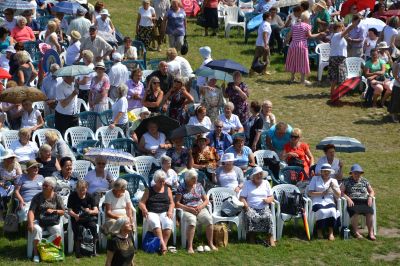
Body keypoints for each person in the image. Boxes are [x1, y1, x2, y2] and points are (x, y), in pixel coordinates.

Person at [175, 169, 218, 253]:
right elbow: (176, 203)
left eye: (196, 178)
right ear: (187, 179)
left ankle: (210, 243)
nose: (195, 180)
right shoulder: (181, 187)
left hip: (199, 208)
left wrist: (200, 207)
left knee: (209, 220)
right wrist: (189, 209)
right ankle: (190, 246)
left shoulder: (199, 186)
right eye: (193, 178)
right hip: (187, 209)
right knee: (192, 221)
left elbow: (206, 200)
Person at [27, 177, 64, 263]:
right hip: (39, 220)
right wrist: (30, 223)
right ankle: (36, 254)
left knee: (57, 230)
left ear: (52, 187)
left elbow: (63, 211)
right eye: (43, 185)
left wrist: (54, 211)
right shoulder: (37, 197)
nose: (43, 187)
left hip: (52, 220)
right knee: (37, 230)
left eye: (46, 185)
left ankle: (54, 252)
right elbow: (31, 211)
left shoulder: (57, 197)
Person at [139, 170, 175, 255]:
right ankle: (163, 245)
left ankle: (163, 245)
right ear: (155, 181)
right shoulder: (149, 190)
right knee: (155, 222)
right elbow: (141, 202)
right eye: (160, 181)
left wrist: (170, 210)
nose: (162, 183)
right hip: (152, 211)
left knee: (168, 223)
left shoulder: (168, 189)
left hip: (164, 211)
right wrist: (144, 209)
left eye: (163, 181)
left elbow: (172, 202)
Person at [239, 166, 275, 246]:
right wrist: (247, 207)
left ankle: (270, 237)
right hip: (251, 207)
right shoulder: (248, 184)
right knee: (250, 216)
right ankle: (252, 236)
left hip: (263, 207)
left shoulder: (266, 183)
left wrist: (268, 200)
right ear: (253, 176)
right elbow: (242, 198)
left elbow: (272, 196)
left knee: (268, 216)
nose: (259, 176)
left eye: (260, 174)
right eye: (257, 174)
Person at [285, 12, 325, 85]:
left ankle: (292, 78)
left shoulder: (294, 25)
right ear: (306, 18)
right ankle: (302, 80)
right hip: (302, 45)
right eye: (309, 18)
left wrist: (286, 42)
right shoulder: (307, 26)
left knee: (293, 61)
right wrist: (319, 34)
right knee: (303, 62)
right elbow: (310, 36)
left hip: (293, 45)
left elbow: (289, 35)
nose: (309, 19)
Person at [340, 164, 376, 240]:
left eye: (359, 173)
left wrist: (370, 197)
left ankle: (370, 233)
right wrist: (348, 199)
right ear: (351, 173)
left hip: (364, 201)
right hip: (353, 201)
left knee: (369, 212)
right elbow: (341, 192)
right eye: (355, 173)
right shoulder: (346, 181)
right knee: (355, 212)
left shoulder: (365, 181)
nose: (357, 174)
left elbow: (372, 191)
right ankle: (355, 232)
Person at [307, 163, 341, 240]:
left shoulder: (333, 180)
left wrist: (334, 188)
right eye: (324, 171)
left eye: (328, 171)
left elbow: (338, 195)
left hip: (329, 200)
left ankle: (331, 232)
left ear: (330, 172)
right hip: (317, 200)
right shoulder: (315, 179)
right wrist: (321, 193)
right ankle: (319, 231)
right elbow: (310, 192)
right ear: (321, 171)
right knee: (321, 211)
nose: (326, 173)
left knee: (332, 210)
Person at [67, 180, 99, 258]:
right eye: (80, 190)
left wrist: (90, 211)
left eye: (83, 190)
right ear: (76, 189)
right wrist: (75, 215)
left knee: (93, 227)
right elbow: (69, 210)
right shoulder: (72, 196)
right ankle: (78, 251)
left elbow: (96, 210)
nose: (81, 192)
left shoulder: (90, 196)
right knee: (78, 229)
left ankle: (93, 250)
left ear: (86, 188)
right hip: (76, 218)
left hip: (88, 218)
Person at [328, 21, 357, 95]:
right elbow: (348, 29)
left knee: (335, 76)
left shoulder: (333, 35)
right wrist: (354, 24)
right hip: (339, 58)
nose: (343, 28)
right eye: (342, 27)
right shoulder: (338, 35)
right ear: (338, 28)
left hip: (334, 57)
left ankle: (333, 92)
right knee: (341, 76)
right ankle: (338, 93)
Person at [0, 150, 22, 218]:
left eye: (12, 158)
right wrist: (1, 183)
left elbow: (20, 176)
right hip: (2, 184)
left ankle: (12, 213)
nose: (11, 159)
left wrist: (15, 182)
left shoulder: (16, 164)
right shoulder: (0, 165)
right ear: (5, 158)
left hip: (14, 184)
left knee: (13, 195)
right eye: (9, 158)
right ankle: (3, 211)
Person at [250, 12, 272, 76]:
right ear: (267, 17)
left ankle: (252, 71)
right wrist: (266, 44)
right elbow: (264, 34)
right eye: (270, 16)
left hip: (259, 43)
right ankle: (263, 71)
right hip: (263, 44)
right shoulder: (266, 24)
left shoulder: (262, 23)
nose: (271, 17)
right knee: (266, 58)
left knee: (256, 58)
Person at [389, 56, 400, 122]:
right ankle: (394, 114)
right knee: (396, 101)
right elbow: (395, 75)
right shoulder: (397, 64)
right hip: (398, 86)